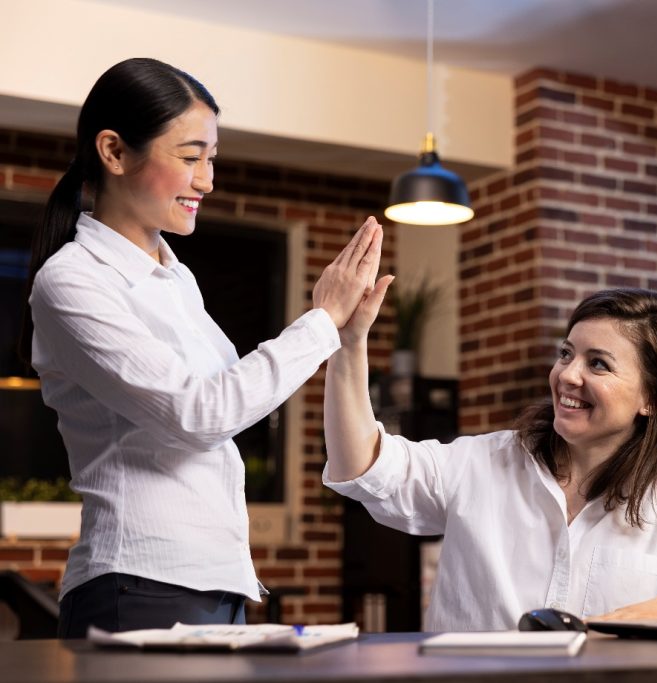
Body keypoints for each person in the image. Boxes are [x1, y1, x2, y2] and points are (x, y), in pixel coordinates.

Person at [20, 57, 385, 638]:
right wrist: (319, 322)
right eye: (191, 157)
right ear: (114, 152)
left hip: (213, 582)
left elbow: (225, 401)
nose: (207, 180)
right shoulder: (72, 280)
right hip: (141, 583)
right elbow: (200, 415)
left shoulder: (175, 278)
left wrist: (341, 332)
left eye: (211, 159)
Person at [322, 285, 657, 631]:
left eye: (598, 364)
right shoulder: (480, 463)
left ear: (653, 400)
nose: (567, 375)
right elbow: (363, 466)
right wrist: (349, 343)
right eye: (566, 354)